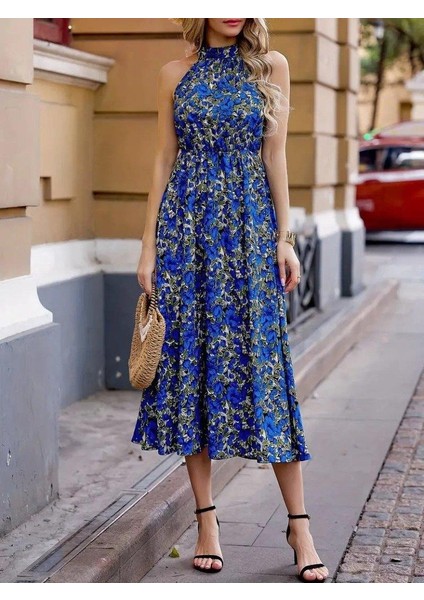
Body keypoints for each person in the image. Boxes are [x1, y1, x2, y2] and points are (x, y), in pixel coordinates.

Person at [132, 18, 328, 583]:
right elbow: (163, 159)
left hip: (249, 232)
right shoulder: (174, 74)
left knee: (264, 365)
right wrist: (148, 246)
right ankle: (207, 521)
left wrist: (285, 238)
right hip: (185, 234)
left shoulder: (271, 67)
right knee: (191, 367)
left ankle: (299, 525)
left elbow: (275, 156)